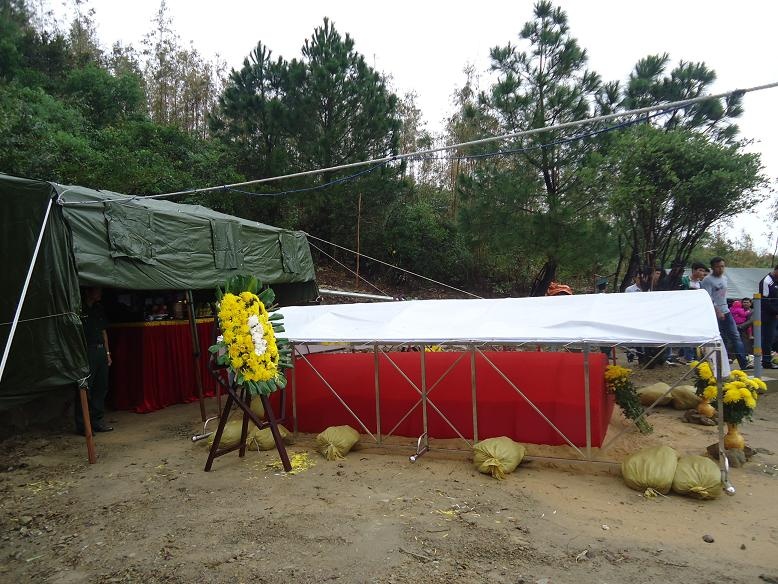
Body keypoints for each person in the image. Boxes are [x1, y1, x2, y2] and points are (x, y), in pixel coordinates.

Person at [75, 286, 114, 434]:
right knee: (85, 387)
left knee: (101, 386)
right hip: (87, 350)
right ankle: (83, 424)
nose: (100, 293)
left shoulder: (98, 308)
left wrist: (107, 353)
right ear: (88, 291)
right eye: (97, 290)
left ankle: (97, 420)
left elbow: (104, 332)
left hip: (100, 350)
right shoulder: (79, 310)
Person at [701, 257, 748, 370]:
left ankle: (744, 362)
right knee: (721, 338)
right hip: (715, 312)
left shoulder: (724, 279)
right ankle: (721, 363)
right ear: (712, 268)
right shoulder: (707, 280)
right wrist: (717, 311)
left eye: (722, 266)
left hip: (726, 311)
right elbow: (708, 298)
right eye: (718, 267)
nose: (720, 269)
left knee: (735, 336)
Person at [758, 266, 778, 369]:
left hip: (775, 313)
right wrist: (775, 312)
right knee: (768, 337)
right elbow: (764, 300)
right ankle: (766, 361)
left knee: (774, 337)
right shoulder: (767, 281)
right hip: (768, 314)